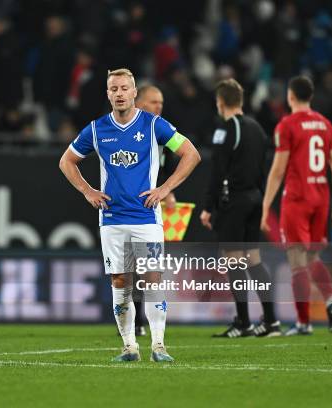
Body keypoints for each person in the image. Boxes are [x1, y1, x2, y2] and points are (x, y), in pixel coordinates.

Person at [59, 68, 201, 362]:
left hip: (146, 217)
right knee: (120, 282)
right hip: (112, 219)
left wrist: (164, 188)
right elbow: (67, 161)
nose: (120, 94)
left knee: (152, 280)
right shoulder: (97, 129)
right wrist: (88, 191)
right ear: (108, 94)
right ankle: (129, 346)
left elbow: (191, 154)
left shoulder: (153, 125)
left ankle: (159, 346)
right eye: (114, 89)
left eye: (125, 88)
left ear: (135, 93)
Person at [261, 75, 332, 336]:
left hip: (297, 198)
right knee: (313, 257)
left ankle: (304, 322)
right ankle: (331, 300)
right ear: (311, 96)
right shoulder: (325, 125)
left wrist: (266, 207)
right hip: (321, 197)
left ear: (291, 96)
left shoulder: (287, 125)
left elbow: (277, 171)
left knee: (297, 260)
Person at [199, 79, 280, 338]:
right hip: (255, 197)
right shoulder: (257, 128)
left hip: (234, 200)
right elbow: (261, 169)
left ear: (220, 102)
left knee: (233, 260)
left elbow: (217, 169)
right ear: (241, 100)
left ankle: (243, 322)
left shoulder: (226, 128)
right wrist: (262, 201)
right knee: (254, 260)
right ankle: (271, 321)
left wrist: (209, 206)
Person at [126, 84, 177, 337]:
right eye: (154, 102)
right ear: (141, 103)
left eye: (162, 102)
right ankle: (132, 322)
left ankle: (146, 324)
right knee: (130, 267)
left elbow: (168, 167)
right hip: (126, 208)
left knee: (147, 267)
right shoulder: (129, 130)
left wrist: (167, 190)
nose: (159, 107)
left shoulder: (162, 133)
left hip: (149, 209)